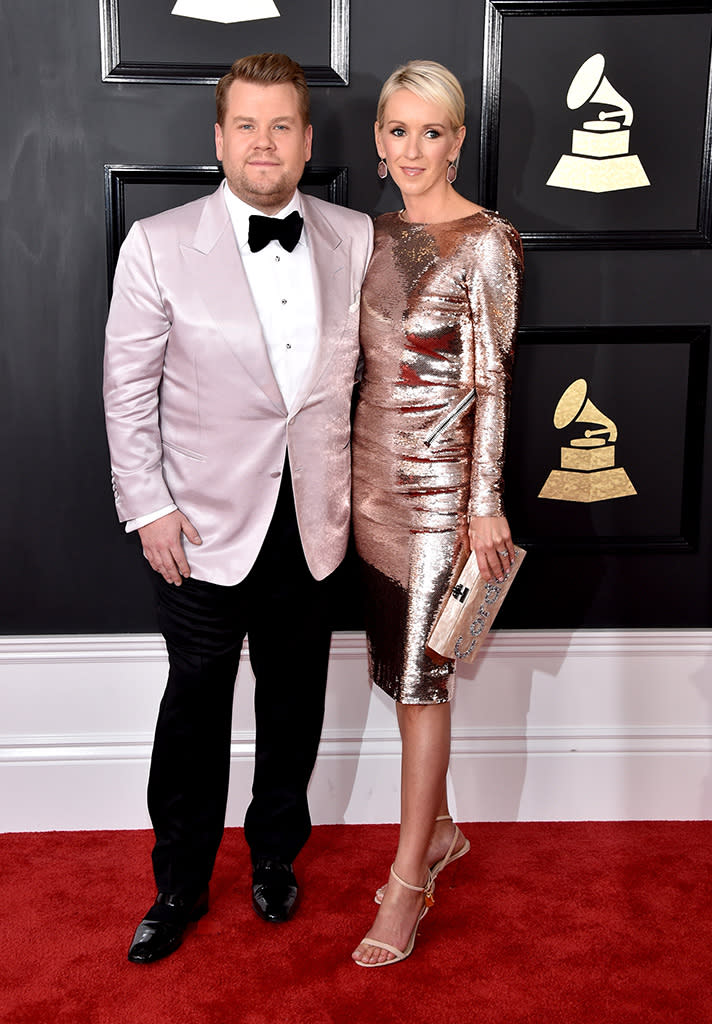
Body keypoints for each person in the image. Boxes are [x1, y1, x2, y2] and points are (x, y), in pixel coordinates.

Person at [103, 52, 373, 964]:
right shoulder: (158, 243)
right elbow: (126, 390)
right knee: (194, 713)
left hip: (314, 524)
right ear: (219, 139)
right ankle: (177, 883)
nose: (265, 143)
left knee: (294, 708)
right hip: (200, 526)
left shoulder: (355, 237)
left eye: (283, 125)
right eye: (247, 126)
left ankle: (273, 858)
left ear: (307, 139)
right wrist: (149, 508)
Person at [351, 60, 523, 966]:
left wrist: (482, 505)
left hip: (439, 496)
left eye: (432, 132)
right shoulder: (365, 234)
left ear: (457, 141)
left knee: (424, 685)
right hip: (363, 489)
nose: (413, 148)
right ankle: (444, 829)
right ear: (379, 141)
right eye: (398, 130)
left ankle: (410, 879)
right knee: (395, 672)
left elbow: (492, 379)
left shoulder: (487, 241)